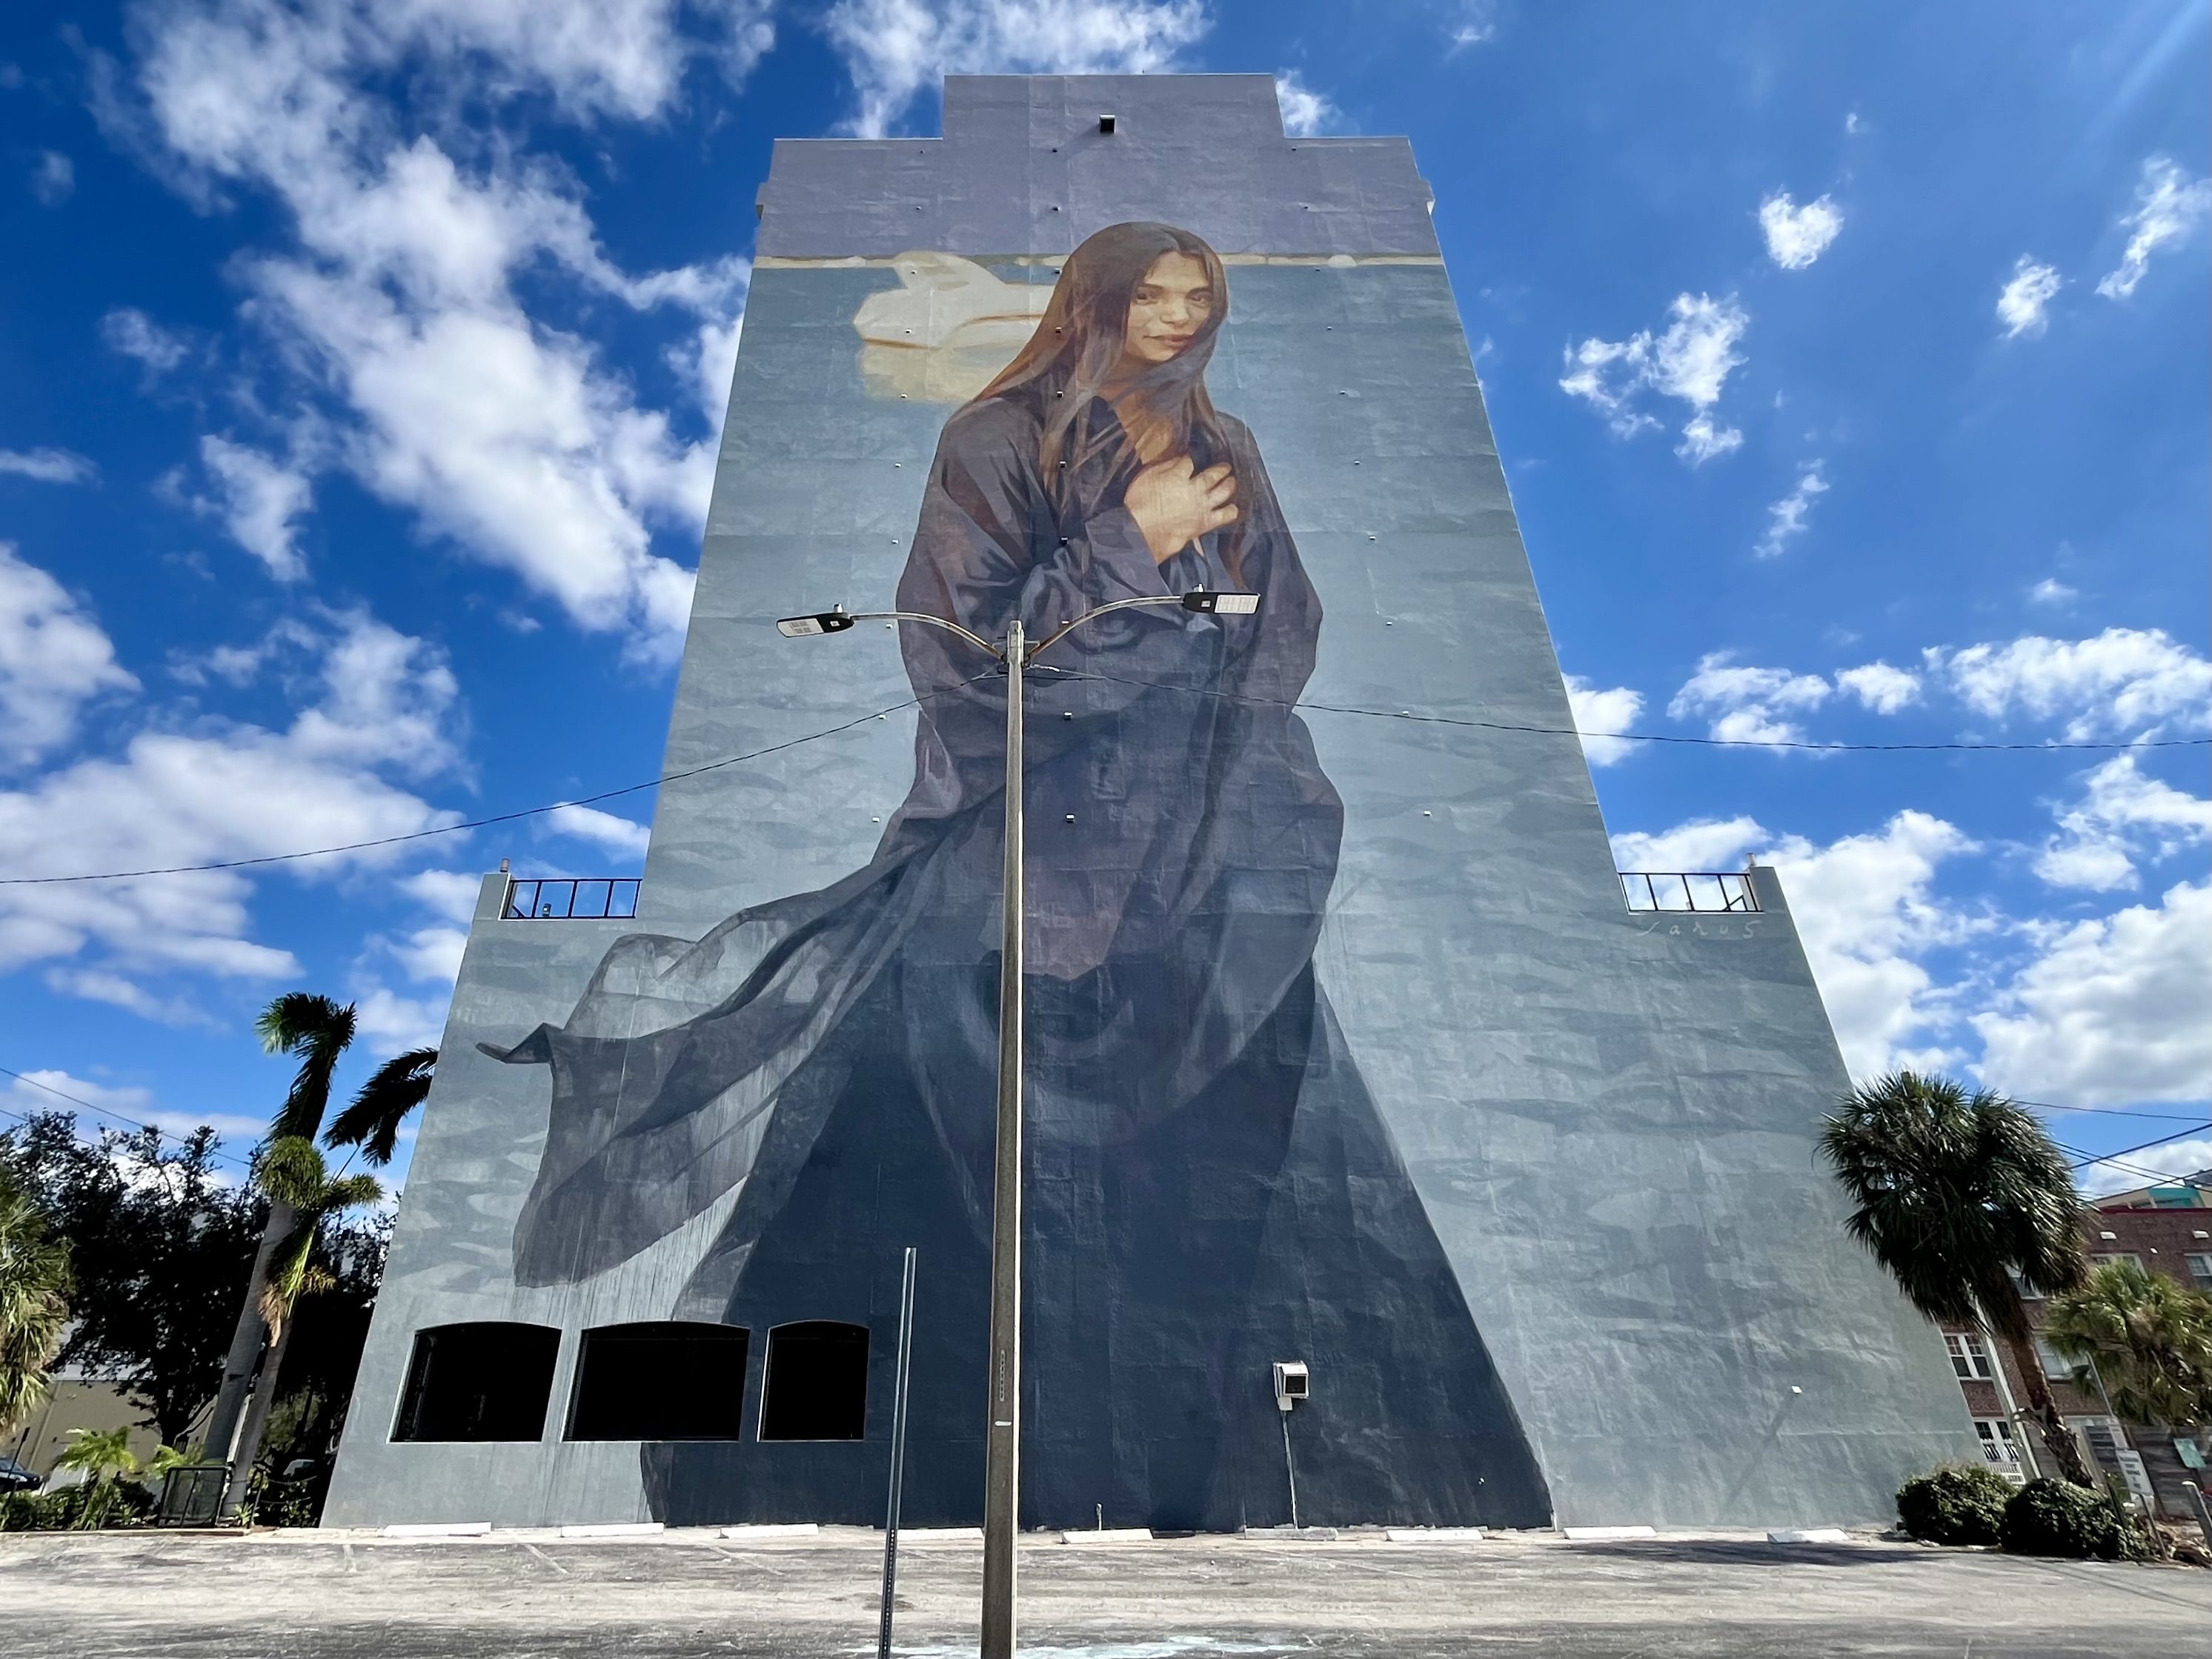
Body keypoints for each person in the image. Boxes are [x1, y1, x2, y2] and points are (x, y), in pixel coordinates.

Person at [489, 222, 1550, 1531]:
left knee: (1253, 1181)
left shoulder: (1230, 450)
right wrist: (1128, 544)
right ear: (1091, 303)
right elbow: (958, 656)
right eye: (1148, 294)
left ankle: (1239, 1500)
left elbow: (1287, 624)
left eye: (1197, 296)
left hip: (1211, 875)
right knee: (948, 1188)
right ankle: (900, 1492)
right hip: (1020, 885)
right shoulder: (994, 443)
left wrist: (1224, 740)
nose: (1174, 317)